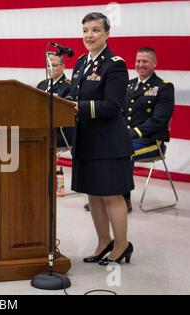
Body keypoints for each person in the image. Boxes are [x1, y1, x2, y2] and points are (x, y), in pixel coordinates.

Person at [67, 12, 134, 266]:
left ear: (107, 34)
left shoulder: (114, 64)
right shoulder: (81, 62)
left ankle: (122, 244)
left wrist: (77, 107)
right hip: (86, 140)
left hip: (108, 142)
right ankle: (103, 241)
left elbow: (112, 105)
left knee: (111, 195)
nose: (89, 35)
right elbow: (73, 97)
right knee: (93, 195)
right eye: (85, 30)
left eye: (95, 30)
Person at [122, 47, 175, 207]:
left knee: (122, 150)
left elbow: (160, 120)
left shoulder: (164, 87)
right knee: (104, 146)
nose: (140, 64)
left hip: (150, 141)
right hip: (126, 137)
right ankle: (105, 196)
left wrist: (134, 132)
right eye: (138, 61)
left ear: (154, 64)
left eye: (145, 61)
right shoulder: (129, 85)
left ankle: (124, 199)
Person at [37, 53, 72, 147]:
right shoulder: (42, 85)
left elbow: (65, 113)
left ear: (63, 66)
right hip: (42, 128)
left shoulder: (69, 86)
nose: (50, 68)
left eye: (54, 65)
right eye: (48, 65)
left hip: (60, 132)